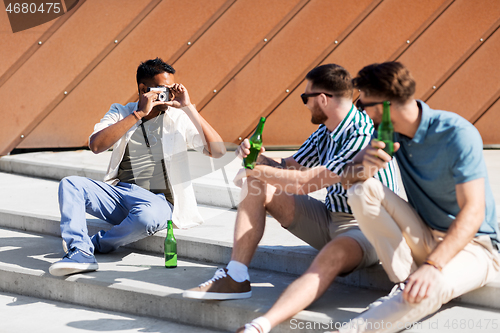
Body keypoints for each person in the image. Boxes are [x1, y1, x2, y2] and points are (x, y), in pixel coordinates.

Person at [182, 64, 399, 333]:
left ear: (322, 98)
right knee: (255, 182)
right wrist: (257, 157)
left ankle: (259, 326)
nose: (305, 104)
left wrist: (258, 170)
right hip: (329, 216)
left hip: (365, 226)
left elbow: (306, 183)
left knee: (329, 252)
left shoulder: (361, 134)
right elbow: (289, 166)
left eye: (305, 98)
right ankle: (236, 276)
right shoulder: (327, 130)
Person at [332, 61, 500, 333]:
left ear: (384, 105)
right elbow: (347, 180)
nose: (359, 112)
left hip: (476, 247)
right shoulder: (386, 132)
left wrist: (434, 266)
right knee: (362, 189)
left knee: (433, 286)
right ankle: (406, 280)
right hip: (426, 233)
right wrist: (362, 166)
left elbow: (474, 210)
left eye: (362, 106)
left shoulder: (456, 133)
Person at [49, 58, 226, 277]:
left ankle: (94, 244)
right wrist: (138, 114)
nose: (169, 95)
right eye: (163, 90)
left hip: (158, 203)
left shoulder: (178, 118)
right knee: (70, 184)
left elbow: (218, 151)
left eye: (172, 89)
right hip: (120, 194)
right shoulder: (121, 112)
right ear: (144, 89)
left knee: (147, 217)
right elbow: (96, 145)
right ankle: (79, 252)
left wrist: (189, 107)